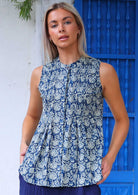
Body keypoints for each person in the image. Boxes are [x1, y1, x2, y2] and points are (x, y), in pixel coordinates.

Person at [18, 2, 129, 195]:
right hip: (37, 172)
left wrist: (110, 158)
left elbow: (122, 120)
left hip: (82, 176)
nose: (60, 28)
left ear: (78, 28)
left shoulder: (103, 72)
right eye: (53, 25)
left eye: (66, 22)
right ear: (49, 35)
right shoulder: (40, 74)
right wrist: (24, 143)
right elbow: (32, 115)